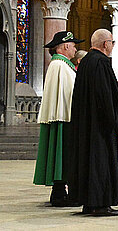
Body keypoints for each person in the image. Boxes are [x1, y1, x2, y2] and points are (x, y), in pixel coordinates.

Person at [69, 29, 118, 216]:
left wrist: (113, 88)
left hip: (85, 125)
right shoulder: (102, 62)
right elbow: (104, 97)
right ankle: (101, 204)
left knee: (87, 161)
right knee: (101, 162)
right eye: (112, 42)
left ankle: (88, 202)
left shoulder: (85, 62)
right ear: (105, 44)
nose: (112, 46)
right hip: (100, 126)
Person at [33, 31, 83, 206]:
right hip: (63, 118)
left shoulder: (61, 64)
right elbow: (70, 93)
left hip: (63, 116)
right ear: (66, 46)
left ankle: (60, 192)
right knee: (63, 155)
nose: (75, 48)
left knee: (63, 156)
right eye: (74, 45)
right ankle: (60, 194)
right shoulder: (60, 65)